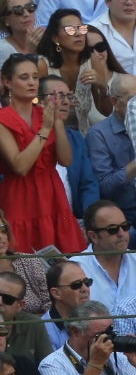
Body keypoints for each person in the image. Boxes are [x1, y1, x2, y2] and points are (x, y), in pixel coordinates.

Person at [0, 53, 85, 255]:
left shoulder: (44, 113)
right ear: (7, 82)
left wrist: (57, 123)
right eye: (24, 77)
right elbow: (20, 166)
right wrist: (46, 129)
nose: (32, 83)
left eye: (35, 77)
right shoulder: (3, 119)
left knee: (62, 258)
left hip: (52, 192)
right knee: (24, 257)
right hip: (20, 196)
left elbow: (66, 160)